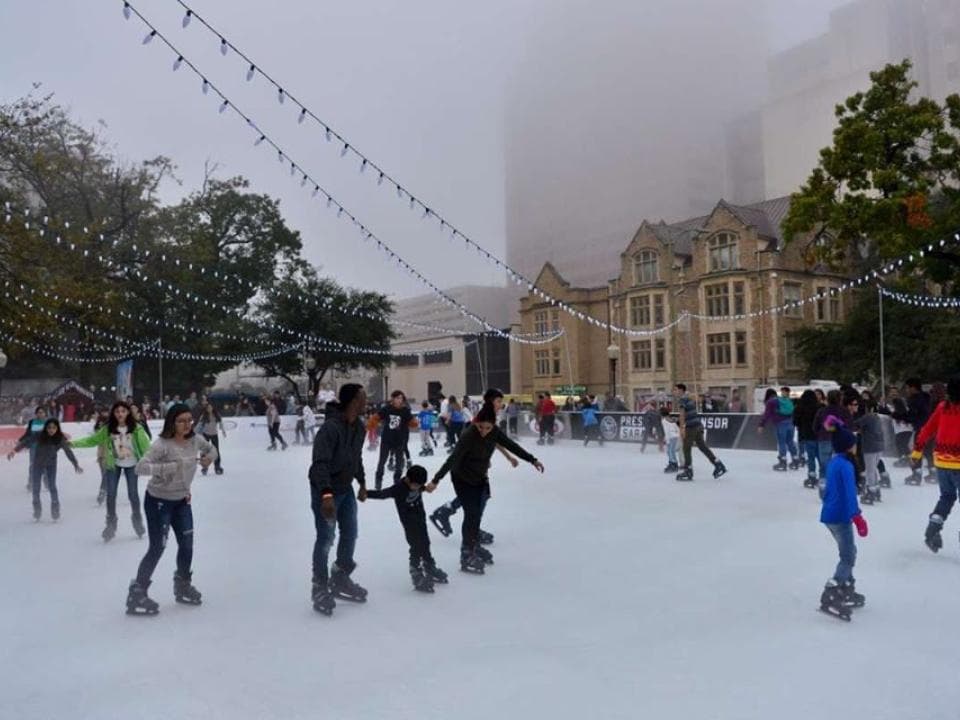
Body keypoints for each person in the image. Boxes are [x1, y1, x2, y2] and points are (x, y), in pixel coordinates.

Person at [428, 402, 544, 573]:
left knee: (476, 513)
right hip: (461, 477)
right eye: (481, 427)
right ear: (476, 423)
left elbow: (512, 446)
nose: (484, 431)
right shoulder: (469, 435)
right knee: (472, 513)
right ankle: (466, 554)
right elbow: (452, 459)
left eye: (488, 428)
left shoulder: (494, 432)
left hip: (479, 476)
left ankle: (472, 545)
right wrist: (436, 480)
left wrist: (532, 460)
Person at [124, 404, 217, 616]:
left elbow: (212, 449)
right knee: (158, 547)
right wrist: (169, 467)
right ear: (172, 422)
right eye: (181, 421)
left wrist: (208, 459)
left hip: (182, 500)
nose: (186, 425)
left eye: (189, 420)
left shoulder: (195, 440)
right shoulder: (162, 445)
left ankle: (182, 583)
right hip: (158, 501)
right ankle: (137, 592)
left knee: (187, 544)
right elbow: (140, 467)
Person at [428, 388, 519, 549]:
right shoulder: (482, 417)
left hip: (477, 463)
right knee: (479, 495)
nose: (501, 404)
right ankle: (467, 527)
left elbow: (493, 439)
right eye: (498, 401)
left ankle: (447, 512)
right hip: (468, 464)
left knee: (481, 495)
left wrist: (507, 457)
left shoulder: (489, 417)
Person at [308, 384, 369, 616]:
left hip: (346, 488)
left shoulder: (359, 428)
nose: (366, 402)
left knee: (350, 533)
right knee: (325, 538)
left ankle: (340, 577)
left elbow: (356, 458)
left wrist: (362, 482)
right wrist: (326, 495)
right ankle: (319, 587)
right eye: (363, 398)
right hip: (326, 491)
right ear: (353, 401)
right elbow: (319, 464)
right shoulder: (330, 429)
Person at [71, 400, 151, 542]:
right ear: (113, 414)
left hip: (132, 465)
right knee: (111, 495)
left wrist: (158, 460)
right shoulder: (108, 429)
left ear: (128, 413)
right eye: (117, 411)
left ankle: (137, 521)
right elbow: (92, 440)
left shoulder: (137, 429)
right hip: (113, 465)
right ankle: (111, 524)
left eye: (123, 411)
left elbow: (147, 448)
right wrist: (73, 444)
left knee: (133, 494)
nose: (120, 414)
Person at [363, 464, 448, 593]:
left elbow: (421, 487)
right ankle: (415, 572)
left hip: (420, 517)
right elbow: (382, 494)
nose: (418, 488)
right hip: (409, 522)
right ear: (408, 480)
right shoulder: (398, 488)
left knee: (425, 542)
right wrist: (366, 493)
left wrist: (425, 488)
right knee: (415, 545)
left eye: (420, 485)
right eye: (416, 485)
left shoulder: (418, 485)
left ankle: (429, 565)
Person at [818, 420, 868, 621]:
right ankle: (833, 590)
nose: (856, 446)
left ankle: (847, 586)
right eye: (854, 443)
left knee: (848, 551)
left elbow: (826, 490)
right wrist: (857, 517)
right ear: (848, 446)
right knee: (848, 556)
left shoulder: (834, 461)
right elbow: (849, 495)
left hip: (829, 515)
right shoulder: (846, 466)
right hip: (841, 516)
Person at [914, 377, 960, 553]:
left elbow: (927, 429)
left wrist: (917, 451)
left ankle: (933, 528)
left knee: (947, 497)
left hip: (941, 462)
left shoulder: (942, 407)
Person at [7, 418, 83, 521]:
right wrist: (14, 451)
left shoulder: (59, 438)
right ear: (46, 428)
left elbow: (68, 451)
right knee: (36, 488)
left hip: (51, 465)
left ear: (57, 428)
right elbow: (26, 442)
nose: (51, 430)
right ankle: (37, 510)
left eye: (54, 428)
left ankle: (55, 508)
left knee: (52, 486)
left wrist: (75, 464)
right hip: (37, 464)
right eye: (49, 427)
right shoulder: (39, 435)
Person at [674, 384, 726, 481]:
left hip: (691, 428)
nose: (674, 392)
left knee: (686, 448)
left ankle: (688, 470)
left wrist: (682, 429)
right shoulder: (689, 398)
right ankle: (718, 464)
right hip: (698, 426)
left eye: (676, 390)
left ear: (681, 390)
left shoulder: (682, 400)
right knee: (703, 447)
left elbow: (682, 415)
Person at [375, 390, 413, 490]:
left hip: (399, 440)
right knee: (382, 461)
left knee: (399, 464)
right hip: (386, 439)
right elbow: (377, 417)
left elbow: (412, 422)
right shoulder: (386, 409)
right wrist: (372, 422)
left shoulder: (405, 410)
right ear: (393, 399)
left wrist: (413, 422)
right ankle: (378, 482)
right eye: (398, 398)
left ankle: (397, 483)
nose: (400, 400)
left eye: (401, 398)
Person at [758, 386, 800, 471]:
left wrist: (761, 425)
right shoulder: (785, 400)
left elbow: (767, 415)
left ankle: (783, 462)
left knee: (782, 443)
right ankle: (795, 460)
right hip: (790, 423)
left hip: (780, 424)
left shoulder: (770, 402)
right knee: (790, 442)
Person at [853, 398, 884, 504]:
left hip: (870, 446)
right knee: (873, 468)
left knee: (870, 470)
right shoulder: (877, 417)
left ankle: (870, 491)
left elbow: (855, 425)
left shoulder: (868, 417)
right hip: (879, 446)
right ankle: (876, 489)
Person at [794, 389, 822, 488]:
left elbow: (795, 421)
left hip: (807, 435)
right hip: (820, 436)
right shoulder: (820, 407)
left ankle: (811, 475)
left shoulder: (800, 407)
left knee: (810, 458)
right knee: (821, 457)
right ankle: (823, 476)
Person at [18, 406, 48, 491]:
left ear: (45, 413)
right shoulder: (32, 422)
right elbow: (28, 434)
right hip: (34, 447)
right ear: (36, 414)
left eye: (42, 412)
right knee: (33, 466)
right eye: (38, 412)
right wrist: (20, 440)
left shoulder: (48, 423)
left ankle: (47, 484)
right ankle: (31, 483)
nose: (40, 414)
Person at [194, 400, 226, 475]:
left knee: (216, 451)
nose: (209, 409)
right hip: (205, 434)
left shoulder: (216, 414)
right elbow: (199, 425)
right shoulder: (204, 416)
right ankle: (205, 467)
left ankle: (217, 467)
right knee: (204, 452)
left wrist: (223, 431)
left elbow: (221, 423)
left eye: (210, 407)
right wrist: (194, 433)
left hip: (214, 434)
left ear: (213, 408)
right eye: (208, 407)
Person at [661, 408, 680, 473]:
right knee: (670, 451)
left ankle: (674, 464)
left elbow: (666, 431)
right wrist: (678, 434)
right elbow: (677, 428)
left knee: (671, 451)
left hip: (672, 437)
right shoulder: (671, 419)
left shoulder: (664, 421)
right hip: (675, 436)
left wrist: (667, 440)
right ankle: (672, 463)